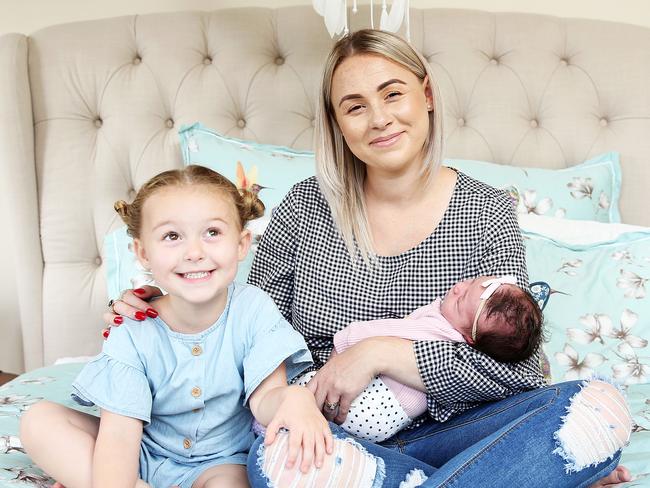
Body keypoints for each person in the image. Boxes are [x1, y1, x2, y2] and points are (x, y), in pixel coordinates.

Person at [104, 30, 633, 488]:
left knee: (596, 407)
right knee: (275, 465)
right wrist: (170, 306)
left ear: (425, 95)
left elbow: (511, 369)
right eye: (354, 106)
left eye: (392, 94)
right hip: (330, 436)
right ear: (337, 123)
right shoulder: (307, 206)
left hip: (459, 430)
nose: (379, 119)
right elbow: (247, 326)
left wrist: (378, 352)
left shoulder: (485, 211)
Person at [20, 166, 334, 488]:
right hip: (140, 450)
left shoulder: (254, 309)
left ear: (241, 244)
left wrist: (293, 399)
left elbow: (266, 399)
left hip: (221, 460)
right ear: (143, 252)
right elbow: (118, 436)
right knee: (38, 421)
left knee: (231, 483)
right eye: (172, 236)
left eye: (212, 232)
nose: (194, 253)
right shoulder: (133, 327)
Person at [293, 275, 543, 442]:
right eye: (468, 283)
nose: (457, 288)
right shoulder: (457, 325)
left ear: (469, 339)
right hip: (386, 422)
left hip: (371, 406)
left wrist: (346, 343)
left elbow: (387, 332)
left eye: (460, 301)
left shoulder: (438, 332)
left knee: (302, 391)